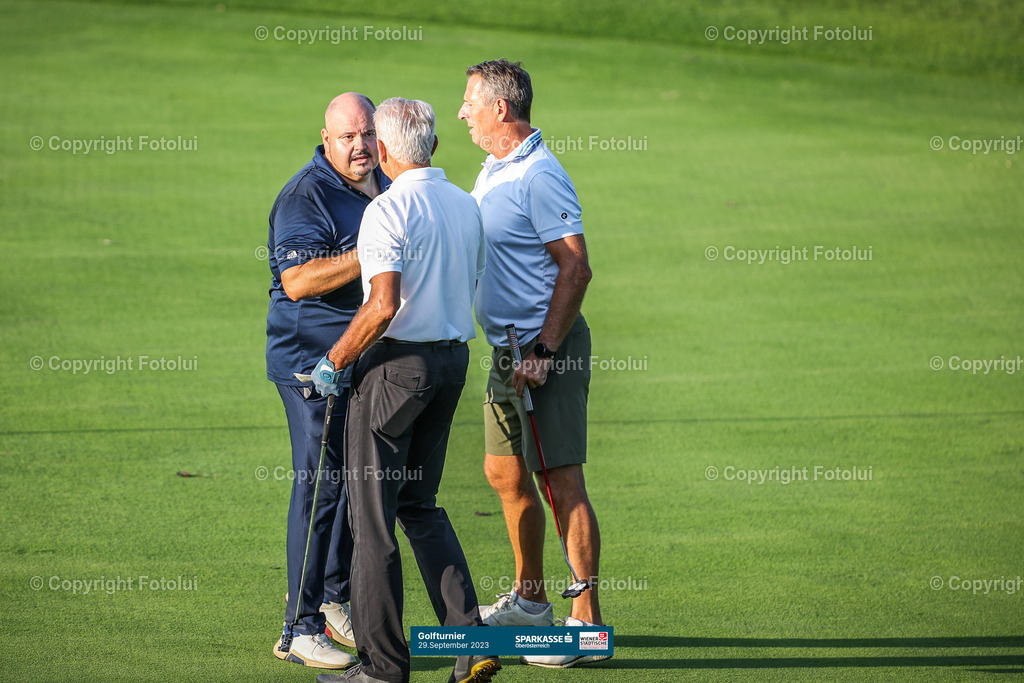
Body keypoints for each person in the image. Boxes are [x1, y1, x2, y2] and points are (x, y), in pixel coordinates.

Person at [311, 98, 498, 683]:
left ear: (386, 153)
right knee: (420, 506)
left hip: (395, 372)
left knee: (372, 523)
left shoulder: (387, 211)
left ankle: (382, 667)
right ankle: (472, 643)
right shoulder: (466, 206)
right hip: (451, 365)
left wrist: (333, 361)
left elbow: (383, 305)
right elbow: (467, 282)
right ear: (434, 147)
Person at [457, 58, 610, 668]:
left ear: (501, 108)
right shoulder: (495, 169)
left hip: (545, 353)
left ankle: (585, 625)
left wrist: (545, 350)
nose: (462, 111)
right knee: (504, 474)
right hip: (507, 355)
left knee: (560, 480)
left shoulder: (540, 175)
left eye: (470, 101)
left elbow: (576, 266)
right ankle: (531, 601)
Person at [265, 92, 389, 669]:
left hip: (355, 356)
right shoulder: (304, 196)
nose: (360, 146)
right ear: (326, 137)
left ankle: (334, 594)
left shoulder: (384, 181)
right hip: (308, 362)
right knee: (319, 486)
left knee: (349, 480)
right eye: (348, 138)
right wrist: (373, 252)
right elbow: (297, 281)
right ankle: (299, 627)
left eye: (366, 134)